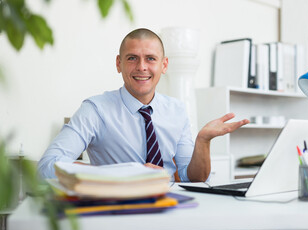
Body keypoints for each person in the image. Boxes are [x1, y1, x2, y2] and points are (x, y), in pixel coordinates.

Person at [37, 28, 249, 182]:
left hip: (172, 208)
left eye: (150, 58)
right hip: (119, 211)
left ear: (163, 65)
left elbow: (191, 178)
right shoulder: (95, 109)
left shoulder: (177, 110)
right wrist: (124, 173)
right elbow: (46, 167)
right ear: (118, 64)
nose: (141, 67)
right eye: (132, 58)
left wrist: (203, 141)